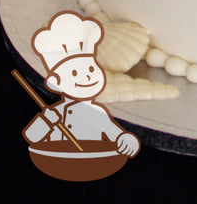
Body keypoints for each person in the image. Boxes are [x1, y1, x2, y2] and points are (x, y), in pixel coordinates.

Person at [22, 10, 140, 156]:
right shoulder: (57, 112)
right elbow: (32, 136)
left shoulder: (98, 113)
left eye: (91, 69)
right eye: (74, 73)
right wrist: (46, 120)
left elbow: (116, 133)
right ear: (56, 83)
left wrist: (127, 140)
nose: (89, 77)